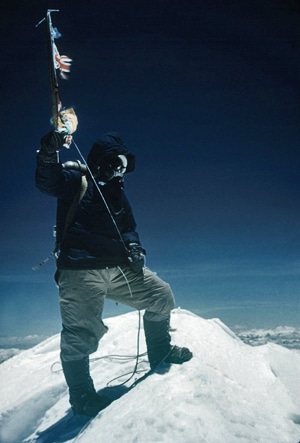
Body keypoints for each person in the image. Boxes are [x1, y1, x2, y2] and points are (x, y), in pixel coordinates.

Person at [35, 127, 193, 417]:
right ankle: (82, 397)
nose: (119, 171)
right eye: (114, 163)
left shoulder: (118, 193)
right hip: (81, 270)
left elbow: (129, 228)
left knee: (160, 294)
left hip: (119, 268)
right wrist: (48, 152)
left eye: (123, 165)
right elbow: (48, 181)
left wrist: (134, 248)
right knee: (80, 334)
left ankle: (161, 353)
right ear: (100, 162)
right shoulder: (75, 180)